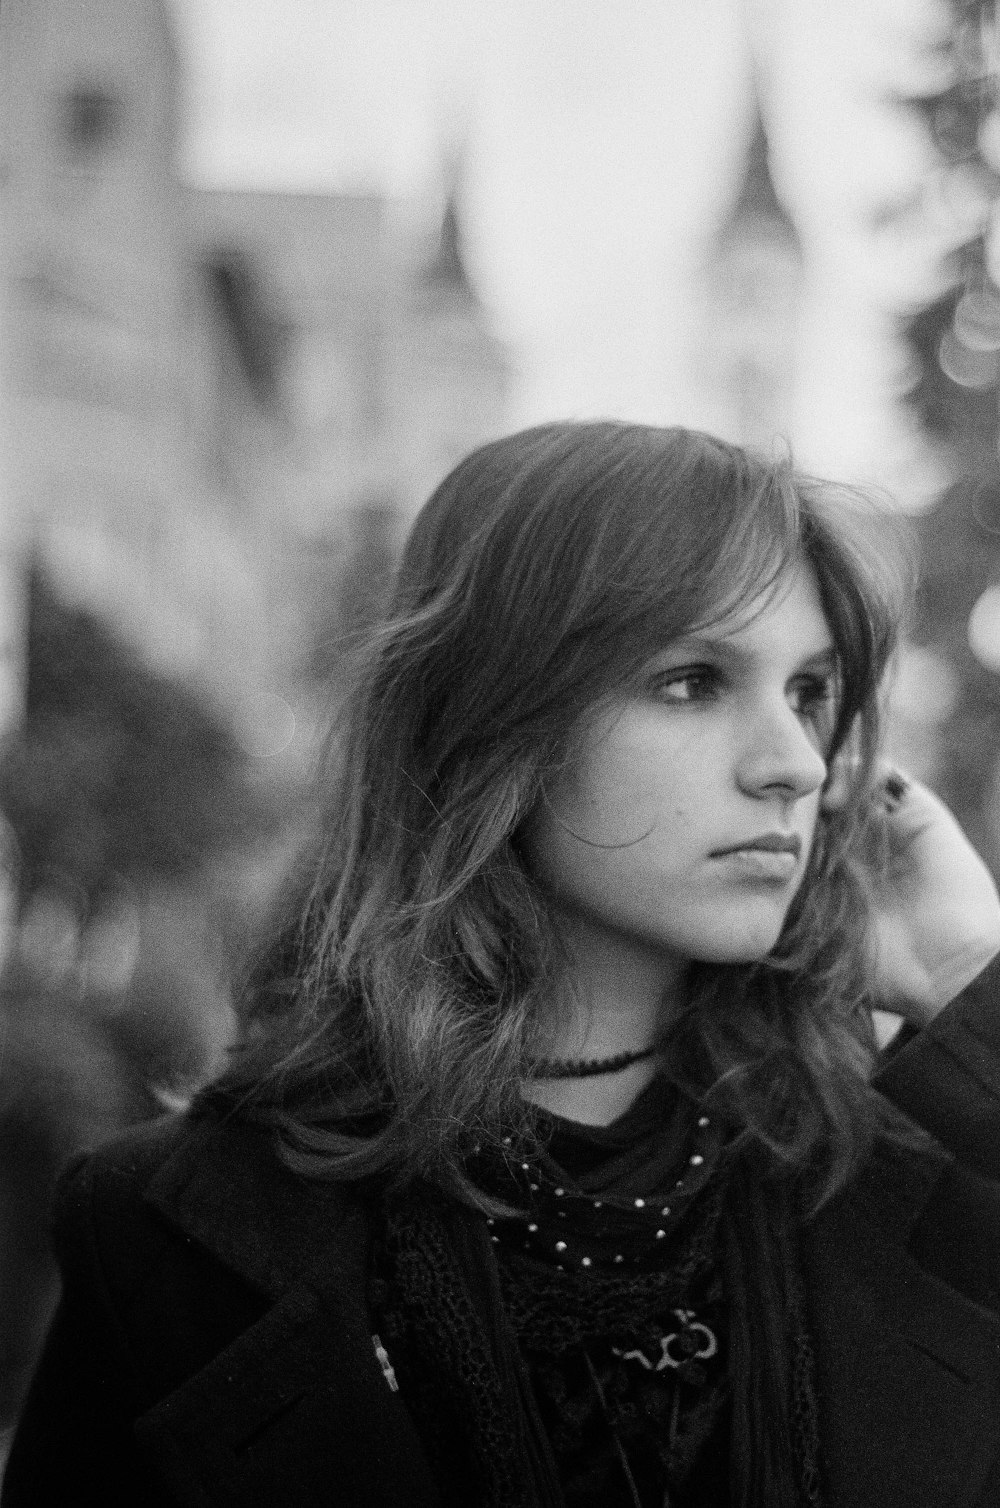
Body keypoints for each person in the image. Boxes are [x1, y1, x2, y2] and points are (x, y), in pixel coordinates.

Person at [5, 421, 1000, 1508]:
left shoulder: (904, 1181)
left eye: (808, 691)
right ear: (492, 719)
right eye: (690, 680)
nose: (796, 764)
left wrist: (967, 969)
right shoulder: (172, 1232)